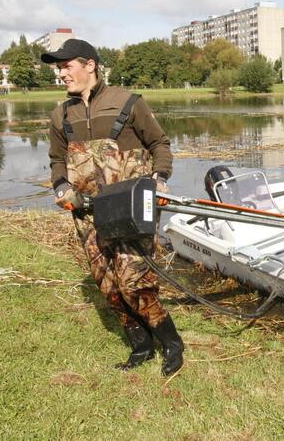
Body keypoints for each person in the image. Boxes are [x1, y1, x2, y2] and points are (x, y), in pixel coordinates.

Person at [42, 39, 184, 376]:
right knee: (107, 284)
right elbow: (56, 161)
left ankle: (172, 343)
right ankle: (141, 346)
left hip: (129, 212)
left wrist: (159, 177)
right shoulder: (61, 114)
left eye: (66, 65)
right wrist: (61, 186)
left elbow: (159, 144)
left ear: (89, 64)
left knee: (135, 281)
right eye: (59, 67)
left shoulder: (128, 102)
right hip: (87, 215)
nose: (62, 73)